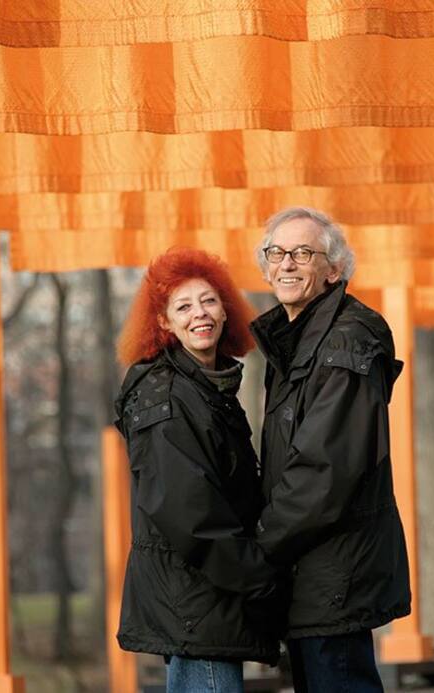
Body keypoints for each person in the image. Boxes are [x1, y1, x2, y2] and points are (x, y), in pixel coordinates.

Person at [250, 207, 411, 692]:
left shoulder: (346, 340)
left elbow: (325, 472)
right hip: (310, 570)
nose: (287, 264)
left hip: (334, 572)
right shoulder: (297, 341)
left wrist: (260, 546)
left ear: (334, 270)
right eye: (276, 253)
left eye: (303, 253)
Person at [113, 247, 280, 693]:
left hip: (211, 598)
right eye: (183, 307)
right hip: (196, 602)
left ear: (226, 309)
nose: (199, 314)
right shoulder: (165, 397)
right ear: (163, 323)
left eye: (208, 301)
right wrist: (261, 579)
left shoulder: (208, 388)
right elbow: (190, 515)